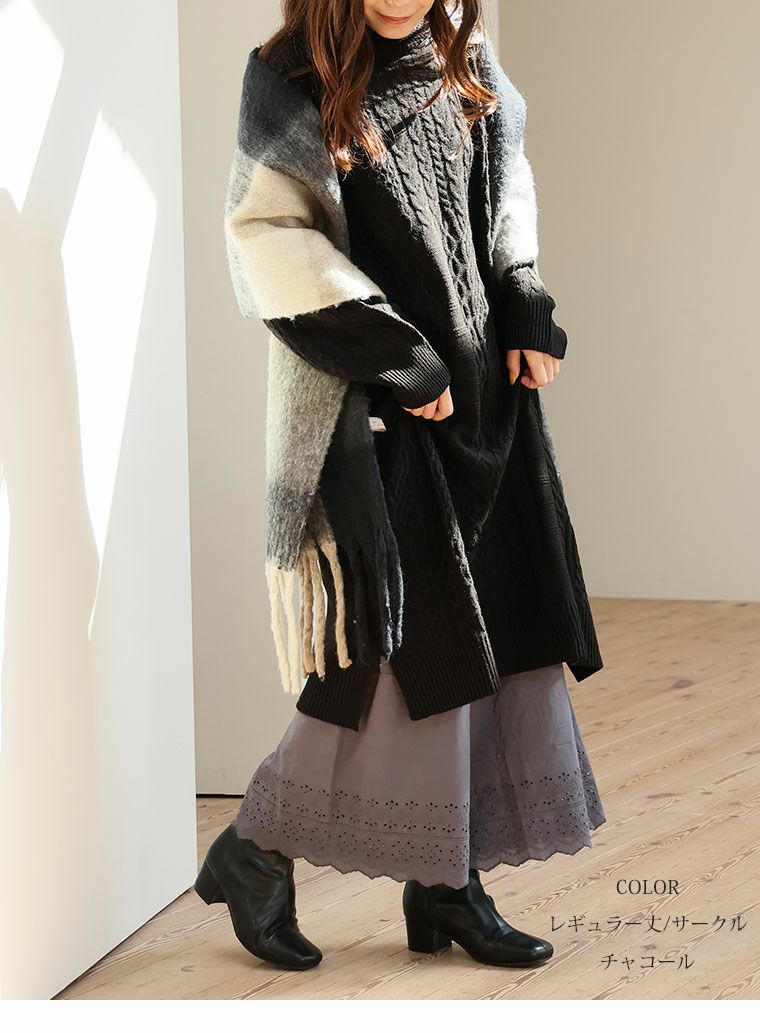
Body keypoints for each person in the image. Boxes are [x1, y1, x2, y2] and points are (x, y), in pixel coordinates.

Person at [195, 0, 606, 971]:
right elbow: (266, 233)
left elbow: (507, 192)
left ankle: (447, 882)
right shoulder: (289, 77)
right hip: (374, 409)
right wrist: (392, 352)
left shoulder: (468, 62)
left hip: (486, 407)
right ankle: (255, 848)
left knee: (493, 630)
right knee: (388, 655)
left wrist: (523, 298)